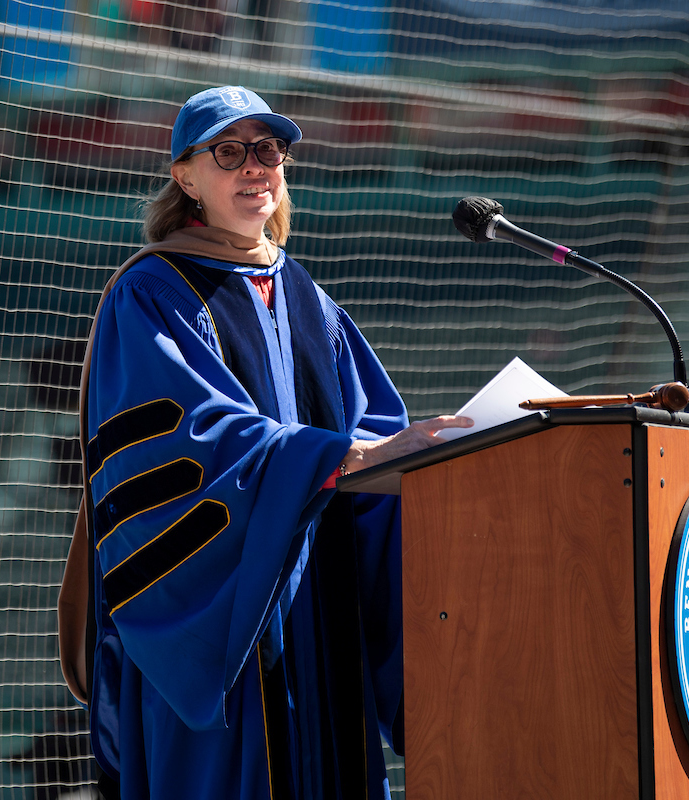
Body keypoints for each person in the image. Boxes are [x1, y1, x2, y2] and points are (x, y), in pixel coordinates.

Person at [58, 85, 472, 800]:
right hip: (228, 621)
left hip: (321, 609)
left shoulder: (311, 299)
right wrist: (335, 459)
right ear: (185, 175)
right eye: (230, 151)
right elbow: (188, 440)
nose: (256, 166)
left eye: (269, 150)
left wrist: (424, 456)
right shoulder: (153, 292)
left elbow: (373, 432)